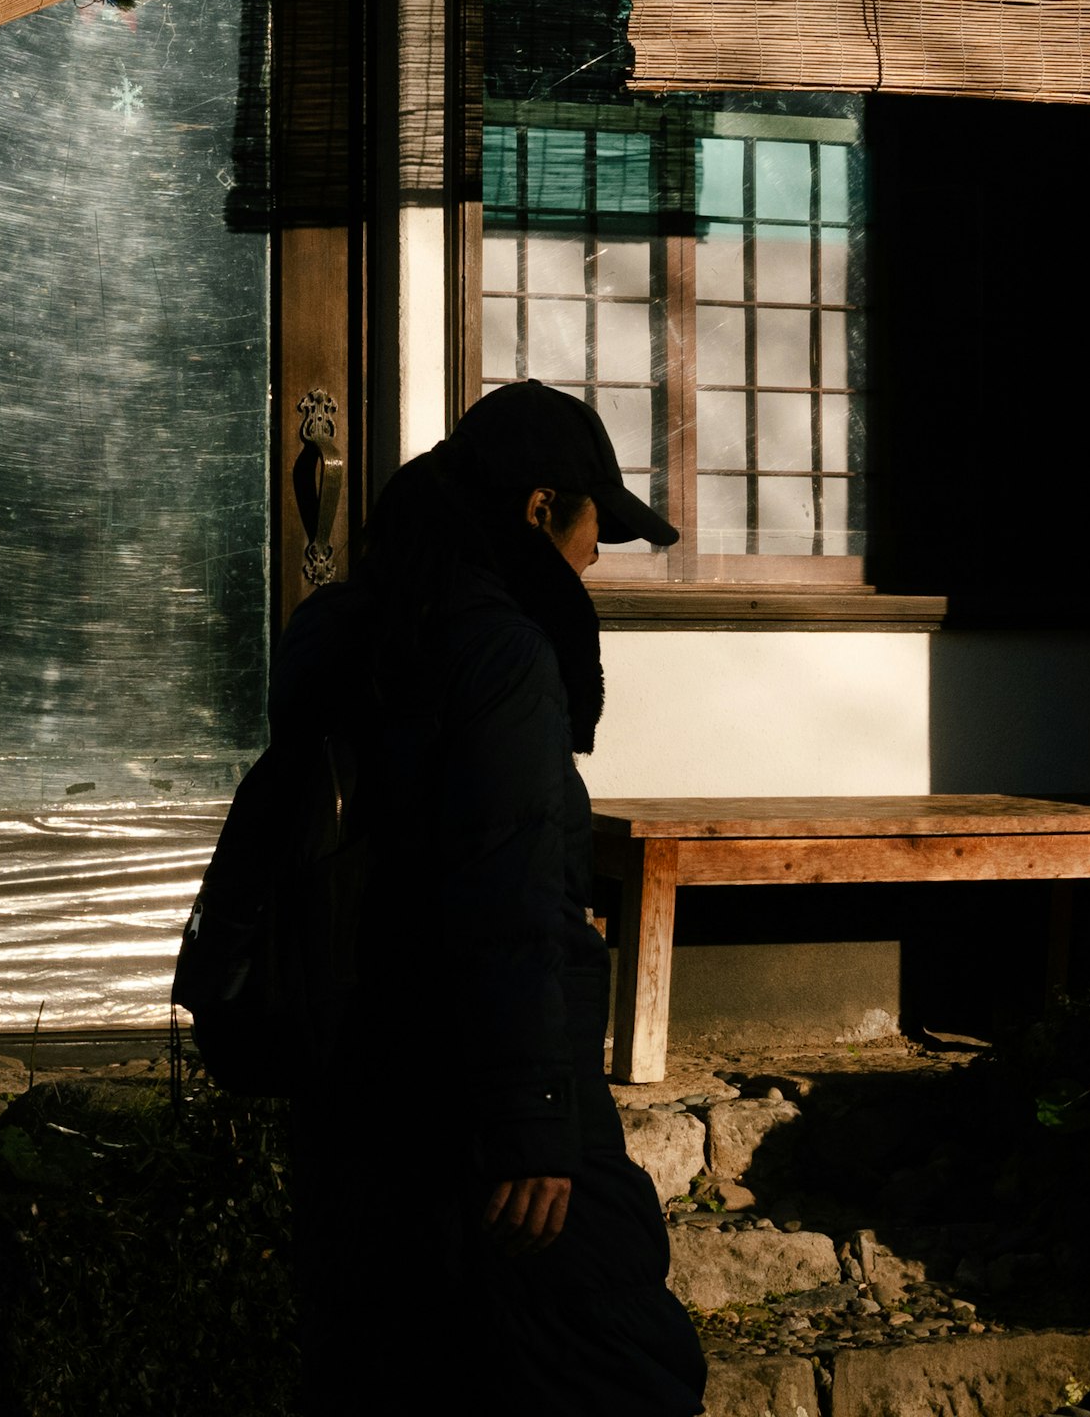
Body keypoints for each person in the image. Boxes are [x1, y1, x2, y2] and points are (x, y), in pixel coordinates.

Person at [277, 381, 706, 1416]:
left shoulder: (340, 627)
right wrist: (532, 1121)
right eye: (594, 529)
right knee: (615, 1364)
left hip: (360, 1091)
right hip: (486, 1103)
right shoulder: (503, 654)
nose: (596, 560)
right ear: (538, 509)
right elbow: (507, 893)